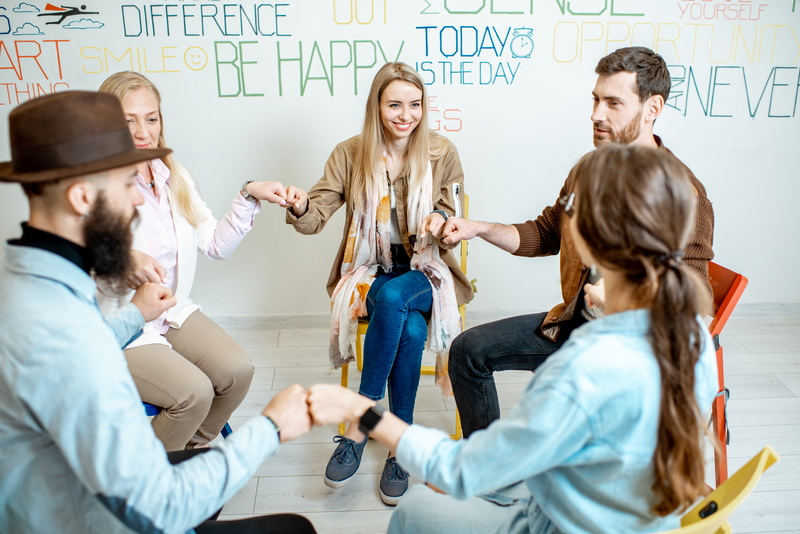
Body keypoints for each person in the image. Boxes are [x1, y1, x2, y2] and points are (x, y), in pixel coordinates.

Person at [306, 143, 720, 534]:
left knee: (415, 508)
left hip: (555, 522)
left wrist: (363, 413)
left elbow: (458, 469)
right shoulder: (694, 336)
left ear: (591, 237)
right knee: (447, 341)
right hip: (634, 517)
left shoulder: (577, 371)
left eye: (572, 209)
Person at [0, 91, 317, 534]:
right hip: (106, 520)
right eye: (126, 183)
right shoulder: (63, 337)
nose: (138, 198)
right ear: (81, 197)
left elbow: (85, 345)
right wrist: (270, 428)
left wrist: (134, 314)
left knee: (230, 377)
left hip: (77, 493)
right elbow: (159, 506)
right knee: (295, 529)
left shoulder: (29, 284)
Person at [437, 46, 715, 438]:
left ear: (652, 108)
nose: (596, 114)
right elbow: (546, 233)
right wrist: (478, 228)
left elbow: (692, 303)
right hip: (573, 324)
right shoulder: (588, 170)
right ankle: (483, 467)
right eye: (596, 100)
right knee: (467, 351)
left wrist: (624, 300)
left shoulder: (683, 194)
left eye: (613, 103)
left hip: (628, 353)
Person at [280, 62, 474, 504]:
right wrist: (299, 205)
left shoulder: (441, 152)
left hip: (426, 268)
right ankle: (400, 443)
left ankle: (360, 421)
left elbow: (452, 211)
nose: (406, 115)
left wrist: (440, 220)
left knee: (398, 296)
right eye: (394, 105)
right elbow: (314, 216)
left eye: (415, 105)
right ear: (376, 106)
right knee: (409, 325)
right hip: (372, 268)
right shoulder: (350, 154)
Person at [96, 71, 288, 452]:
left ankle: (186, 454)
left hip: (170, 312)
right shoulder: (93, 186)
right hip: (122, 324)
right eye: (128, 121)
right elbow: (85, 266)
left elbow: (216, 244)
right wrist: (122, 260)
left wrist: (250, 195)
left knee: (237, 372)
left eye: (151, 118)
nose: (143, 132)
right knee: (194, 393)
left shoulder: (173, 176)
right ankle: (143, 477)